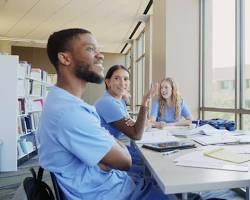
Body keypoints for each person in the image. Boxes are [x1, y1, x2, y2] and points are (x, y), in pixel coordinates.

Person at [37, 28, 176, 200]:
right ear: (65, 58)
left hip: (110, 184)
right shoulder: (71, 112)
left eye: (126, 79)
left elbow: (124, 140)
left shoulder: (63, 103)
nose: (100, 56)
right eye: (90, 49)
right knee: (175, 187)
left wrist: (108, 148)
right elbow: (125, 160)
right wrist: (114, 147)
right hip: (115, 193)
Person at [95, 65, 157, 177]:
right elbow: (136, 134)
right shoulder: (108, 103)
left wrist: (137, 126)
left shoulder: (118, 101)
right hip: (107, 157)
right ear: (108, 82)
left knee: (151, 163)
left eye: (126, 79)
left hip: (114, 149)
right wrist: (145, 101)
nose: (122, 83)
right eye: (117, 78)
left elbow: (134, 125)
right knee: (150, 169)